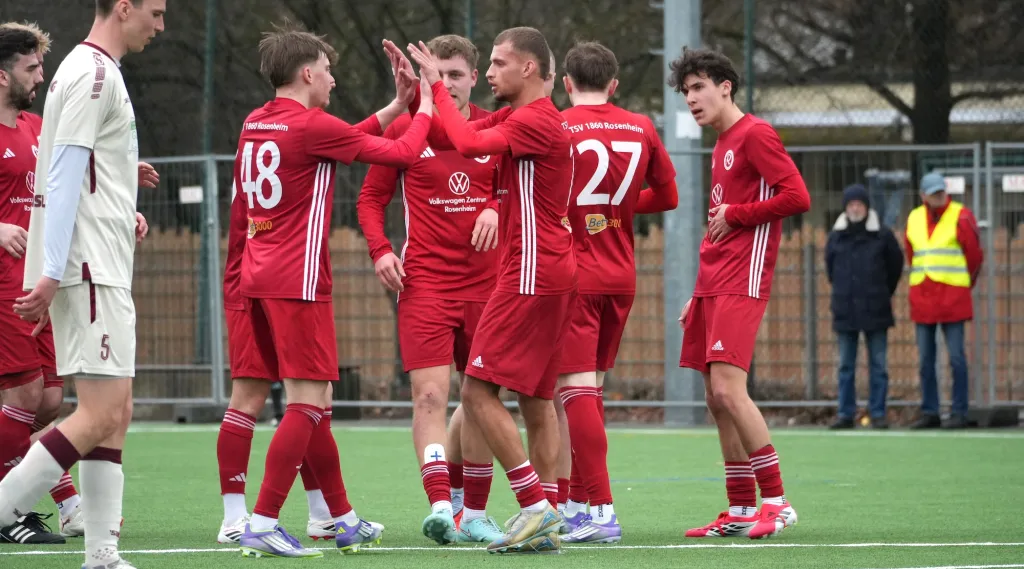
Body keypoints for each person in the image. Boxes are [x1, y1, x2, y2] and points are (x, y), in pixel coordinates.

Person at [232, 25, 435, 558]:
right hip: (297, 281)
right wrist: (429, 103)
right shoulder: (310, 125)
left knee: (316, 399)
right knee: (305, 400)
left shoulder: (257, 120)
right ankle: (262, 519)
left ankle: (340, 517)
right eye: (326, 69)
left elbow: (345, 135)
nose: (332, 77)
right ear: (306, 73)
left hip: (258, 276)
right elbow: (407, 154)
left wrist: (396, 105)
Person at [397, 25, 576, 554]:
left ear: (528, 68)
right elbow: (464, 133)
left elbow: (469, 141)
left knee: (475, 391)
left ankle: (535, 507)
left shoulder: (538, 119)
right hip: (550, 270)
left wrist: (434, 86)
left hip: (529, 273)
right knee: (539, 399)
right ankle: (547, 512)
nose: (489, 73)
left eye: (497, 63)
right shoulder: (529, 116)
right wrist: (414, 98)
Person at [1, 2, 166, 567]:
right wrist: (49, 273)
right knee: (95, 414)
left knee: (115, 411)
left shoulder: (90, 70)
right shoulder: (94, 72)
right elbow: (64, 175)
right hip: (90, 268)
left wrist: (124, 202)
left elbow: (79, 168)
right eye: (156, 12)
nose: (161, 24)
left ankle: (101, 552)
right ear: (124, 8)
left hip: (102, 262)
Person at [358, 34, 504, 546]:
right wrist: (380, 250)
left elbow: (525, 190)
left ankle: (476, 511)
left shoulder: (493, 126)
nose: (447, 84)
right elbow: (370, 199)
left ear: (474, 76)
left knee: (481, 397)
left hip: (488, 288)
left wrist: (495, 205)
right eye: (436, 75)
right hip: (425, 287)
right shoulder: (405, 128)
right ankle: (442, 503)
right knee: (429, 397)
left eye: (456, 75)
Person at [670, 47, 810, 540]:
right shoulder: (723, 142)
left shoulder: (756, 134)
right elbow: (717, 222)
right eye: (686, 91)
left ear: (725, 86)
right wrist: (698, 291)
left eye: (698, 87)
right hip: (715, 281)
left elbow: (797, 196)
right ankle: (740, 507)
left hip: (743, 279)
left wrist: (739, 213)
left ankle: (776, 501)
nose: (691, 98)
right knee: (715, 397)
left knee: (730, 389)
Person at [555, 40, 678, 544]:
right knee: (592, 390)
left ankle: (602, 511)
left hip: (576, 274)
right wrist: (620, 209)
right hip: (621, 272)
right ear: (614, 85)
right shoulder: (641, 126)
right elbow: (668, 196)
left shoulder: (559, 126)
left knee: (574, 391)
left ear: (566, 83)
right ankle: (579, 504)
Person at [0, 20, 75, 546]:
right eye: (31, 68)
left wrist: (119, 203)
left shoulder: (35, 125)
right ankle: (11, 511)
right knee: (24, 393)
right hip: (3, 283)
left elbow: (68, 180)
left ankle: (40, 501)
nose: (41, 76)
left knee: (50, 401)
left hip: (38, 282)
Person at [904, 171, 983, 430]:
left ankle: (959, 412)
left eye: (942, 191)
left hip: (953, 298)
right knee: (926, 360)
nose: (940, 196)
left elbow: (974, 256)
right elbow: (911, 253)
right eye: (934, 192)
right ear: (923, 195)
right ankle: (931, 412)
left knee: (957, 358)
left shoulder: (961, 215)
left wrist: (963, 284)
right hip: (924, 297)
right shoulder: (914, 217)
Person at [825, 184, 903, 430]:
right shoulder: (836, 236)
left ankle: (878, 413)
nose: (854, 208)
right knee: (845, 366)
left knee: (878, 366)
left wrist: (881, 292)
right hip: (845, 309)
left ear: (867, 207)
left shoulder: (883, 235)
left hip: (876, 309)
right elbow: (830, 270)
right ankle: (845, 414)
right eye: (850, 204)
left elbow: (895, 266)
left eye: (859, 204)